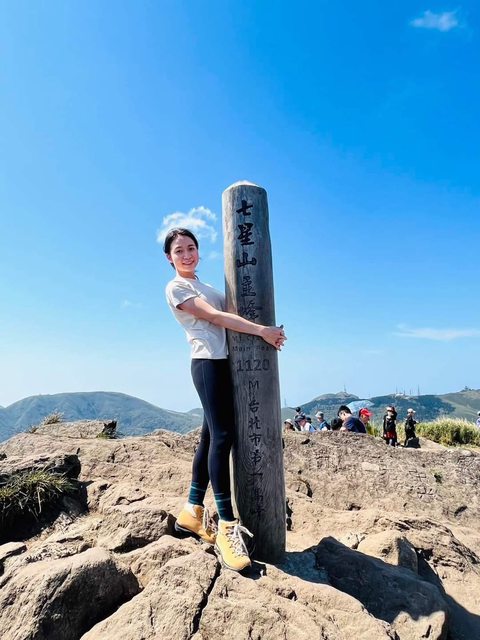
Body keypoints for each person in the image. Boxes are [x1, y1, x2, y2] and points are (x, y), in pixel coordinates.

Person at [164, 228, 286, 572]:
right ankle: (227, 527)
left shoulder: (205, 286)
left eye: (191, 248)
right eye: (179, 250)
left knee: (209, 437)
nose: (187, 254)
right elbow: (216, 318)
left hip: (223, 364)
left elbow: (229, 310)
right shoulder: (177, 288)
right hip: (207, 364)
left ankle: (192, 511)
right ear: (169, 257)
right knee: (223, 437)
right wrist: (262, 331)